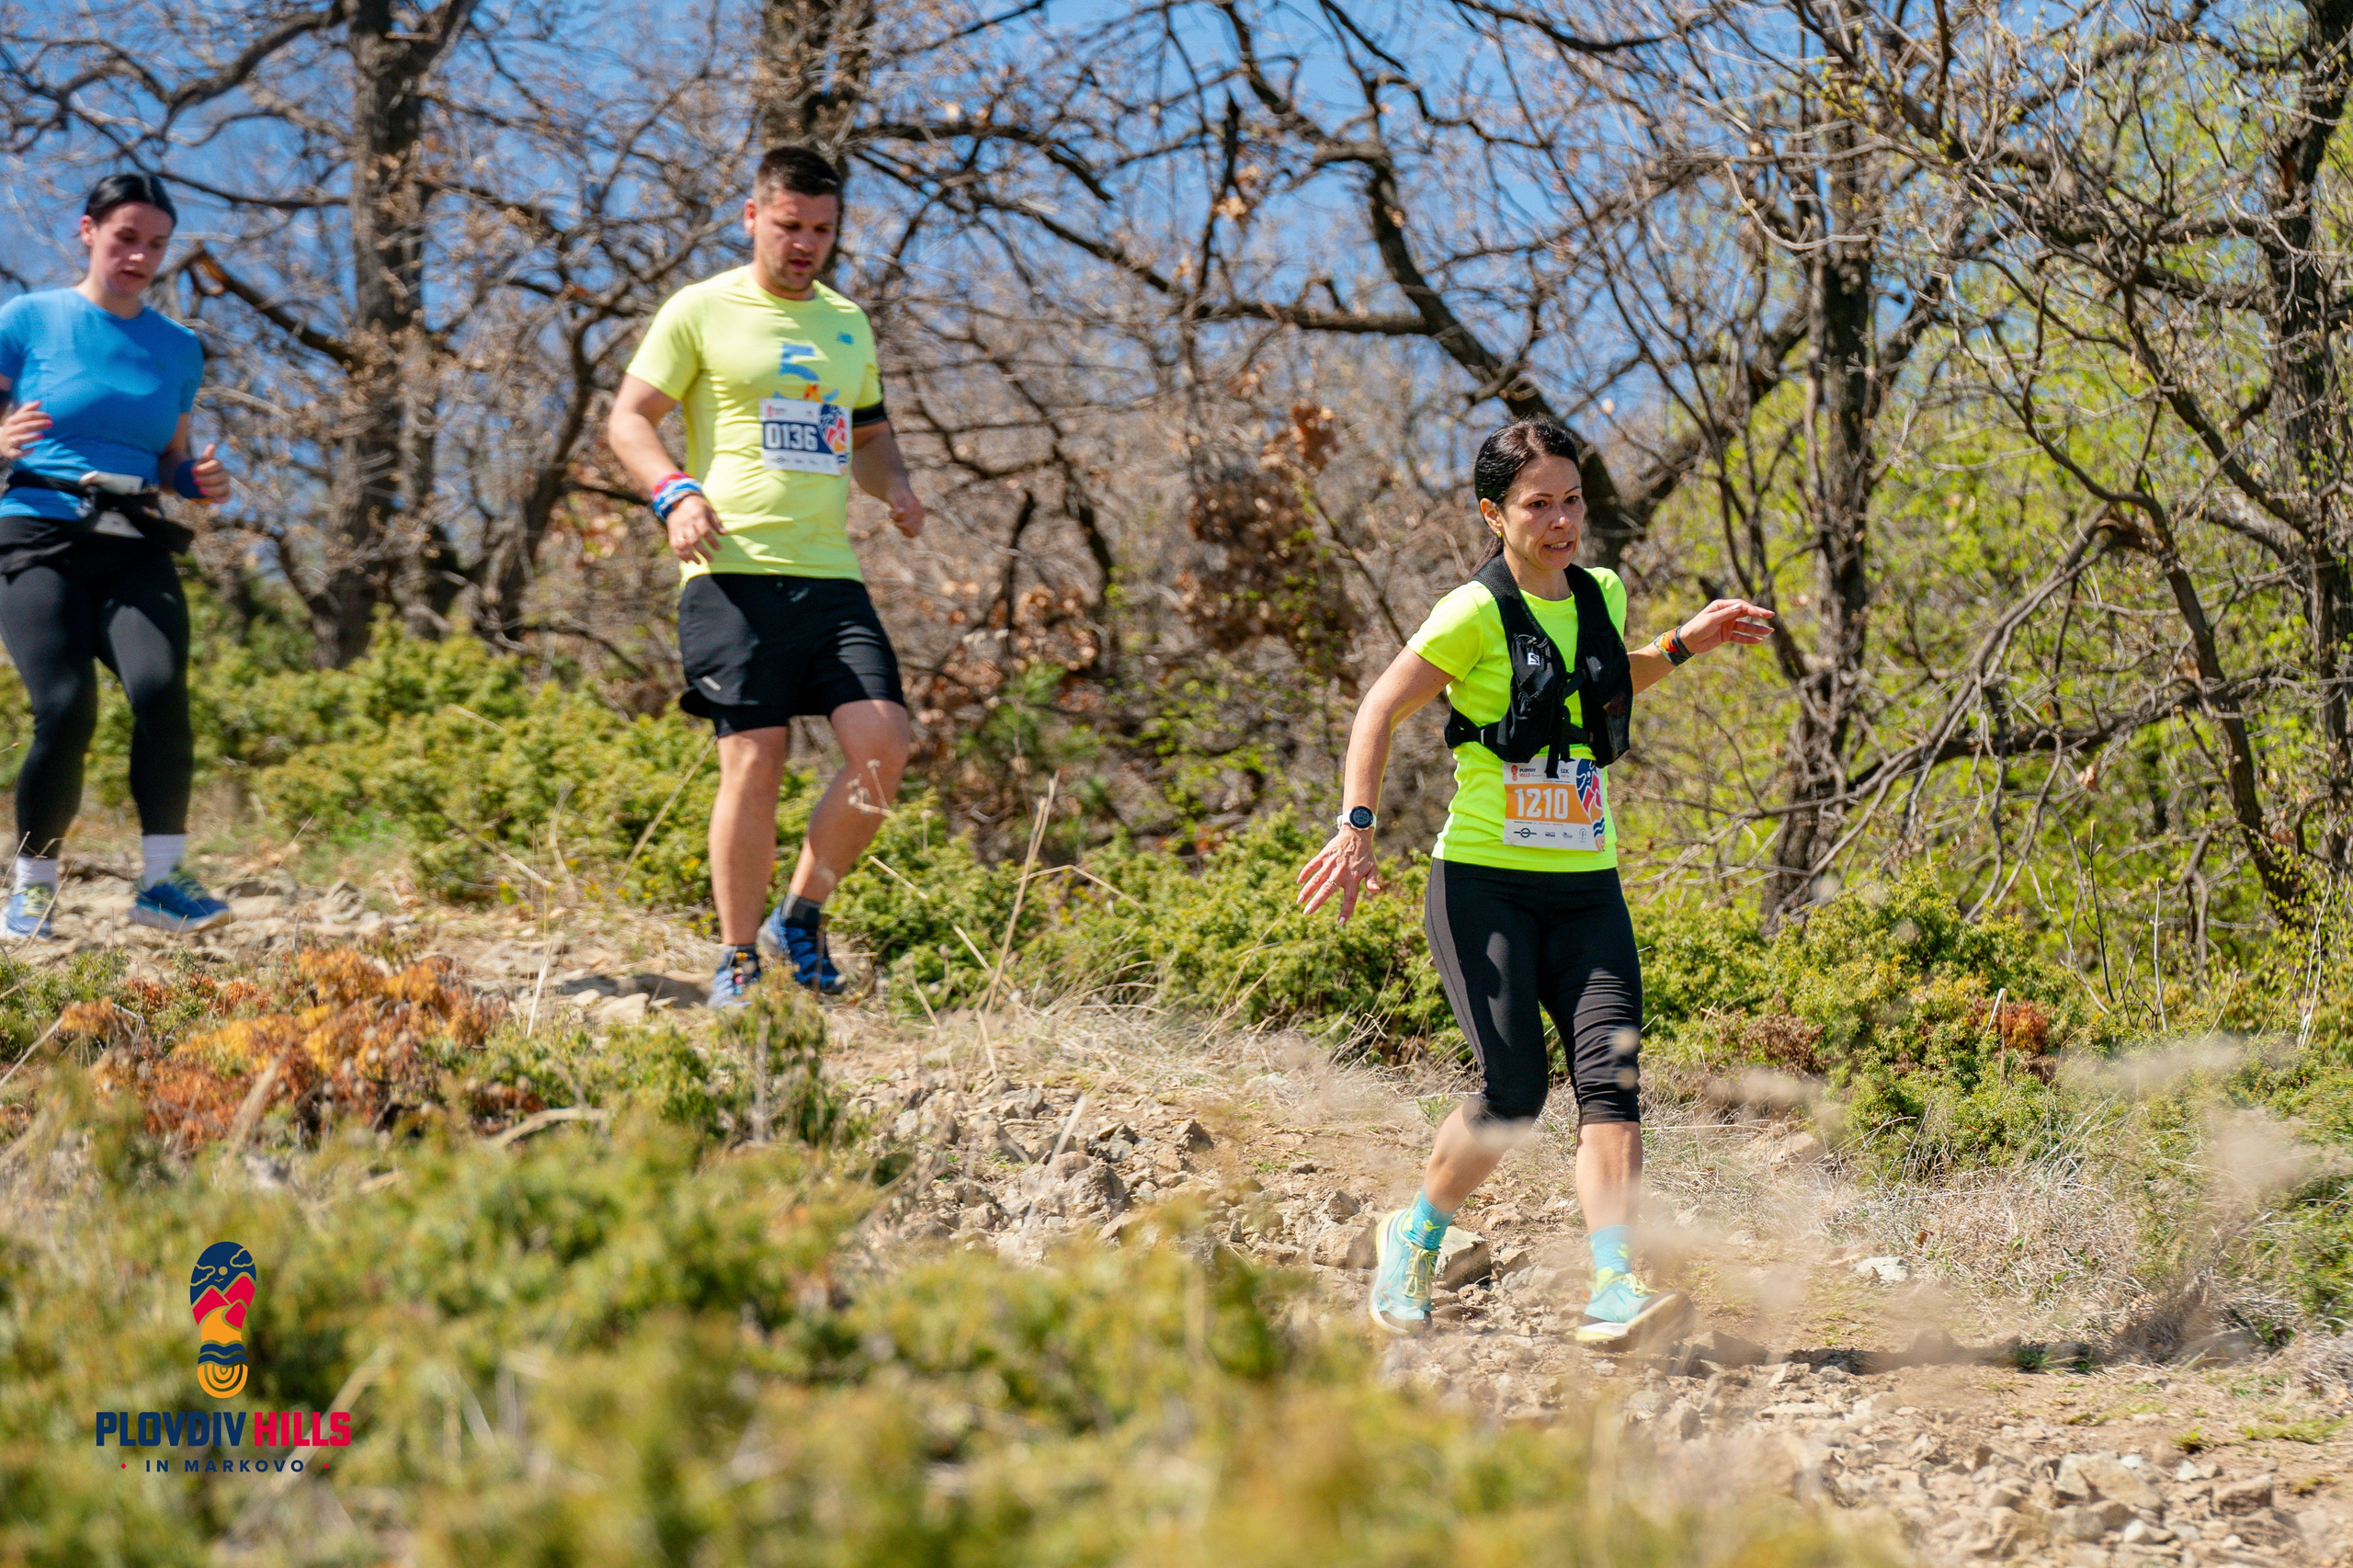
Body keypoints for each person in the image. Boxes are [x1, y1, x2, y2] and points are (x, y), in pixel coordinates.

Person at [1297, 416, 1775, 1346]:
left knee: (1611, 1079)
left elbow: (1592, 683)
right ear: (1493, 512)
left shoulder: (1600, 589)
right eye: (1536, 504)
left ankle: (1611, 1288)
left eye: (1571, 500)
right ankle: (1415, 1234)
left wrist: (1686, 642)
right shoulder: (1470, 613)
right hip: (1484, 882)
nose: (1560, 520)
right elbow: (1379, 707)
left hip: (1588, 885)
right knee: (1513, 1089)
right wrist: (1355, 826)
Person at [607, 145, 926, 1008]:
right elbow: (628, 420)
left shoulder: (845, 322)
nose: (806, 244)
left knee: (884, 747)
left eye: (822, 230)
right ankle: (738, 958)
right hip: (731, 569)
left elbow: (867, 436)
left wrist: (894, 485)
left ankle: (802, 918)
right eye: (790, 226)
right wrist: (674, 494)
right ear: (753, 217)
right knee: (754, 760)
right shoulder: (701, 309)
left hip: (829, 574)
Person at [0, 173, 235, 940]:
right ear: (88, 231)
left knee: (162, 689)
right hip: (37, 532)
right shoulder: (28, 320)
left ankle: (163, 885)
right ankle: (34, 883)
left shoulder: (178, 347)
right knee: (65, 708)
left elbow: (172, 458)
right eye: (126, 237)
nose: (140, 255)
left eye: (156, 244)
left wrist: (194, 479)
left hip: (132, 538)